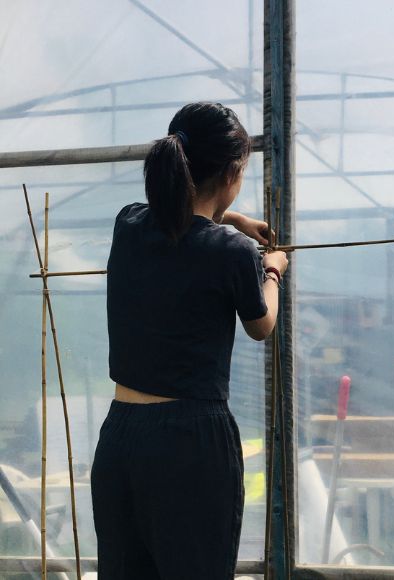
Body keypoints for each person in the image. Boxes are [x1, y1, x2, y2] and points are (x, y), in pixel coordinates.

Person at [91, 102, 288, 579]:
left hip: (121, 438)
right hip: (190, 442)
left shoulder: (129, 223)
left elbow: (182, 225)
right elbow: (261, 325)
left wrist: (234, 219)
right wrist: (273, 270)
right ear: (232, 173)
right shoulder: (233, 253)